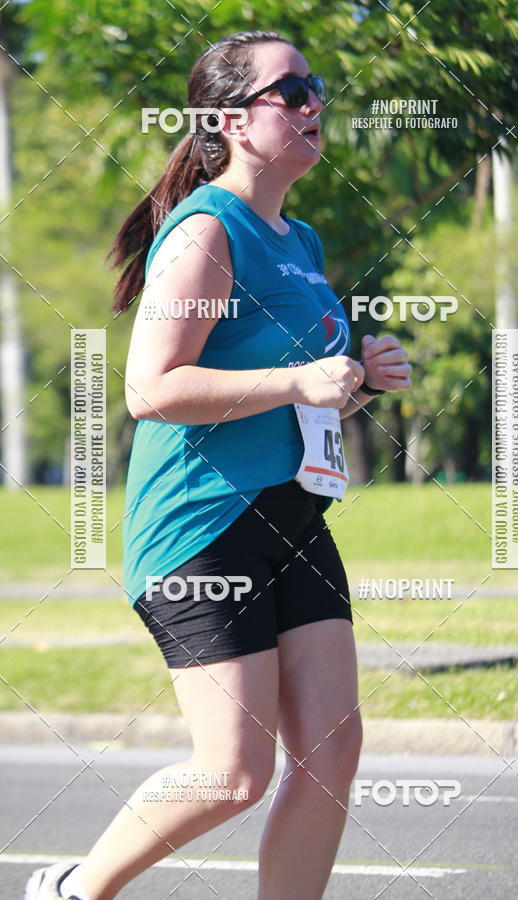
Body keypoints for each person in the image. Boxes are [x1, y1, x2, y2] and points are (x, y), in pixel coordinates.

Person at [25, 29, 411, 900]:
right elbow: (151, 388)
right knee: (233, 771)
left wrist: (355, 383)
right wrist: (298, 376)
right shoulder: (206, 230)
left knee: (330, 752)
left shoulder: (299, 238)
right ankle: (75, 890)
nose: (315, 104)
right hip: (203, 526)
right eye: (292, 92)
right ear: (233, 121)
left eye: (316, 87)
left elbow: (281, 389)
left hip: (292, 515)